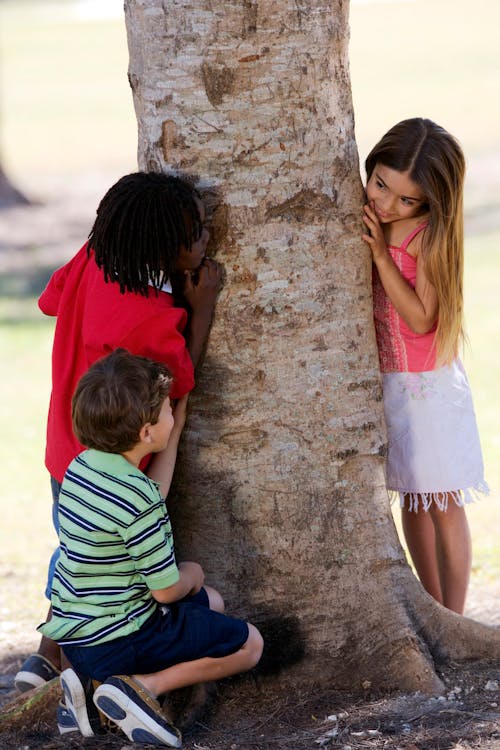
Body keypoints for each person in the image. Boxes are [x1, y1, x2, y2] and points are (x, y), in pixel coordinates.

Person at [15, 172, 223, 699]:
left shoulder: (95, 258)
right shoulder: (150, 316)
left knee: (76, 552)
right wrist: (201, 309)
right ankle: (88, 670)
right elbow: (179, 383)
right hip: (117, 456)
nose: (206, 239)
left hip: (68, 442)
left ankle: (46, 657)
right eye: (195, 233)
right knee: (111, 564)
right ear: (160, 245)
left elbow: (48, 301)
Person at [38, 349, 264, 746]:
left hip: (78, 641)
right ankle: (143, 688)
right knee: (249, 644)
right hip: (122, 640)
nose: (171, 415)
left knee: (212, 602)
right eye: (166, 412)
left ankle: (90, 693)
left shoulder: (81, 468)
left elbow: (152, 492)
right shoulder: (136, 499)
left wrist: (172, 432)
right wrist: (191, 574)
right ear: (145, 432)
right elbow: (165, 590)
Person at [361, 118, 488, 615]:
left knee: (442, 503)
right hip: (391, 382)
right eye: (380, 185)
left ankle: (454, 614)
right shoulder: (372, 212)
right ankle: (433, 608)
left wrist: (381, 255)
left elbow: (420, 317)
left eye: (405, 200)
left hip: (428, 389)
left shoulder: (426, 235)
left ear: (429, 203)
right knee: (411, 498)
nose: (387, 204)